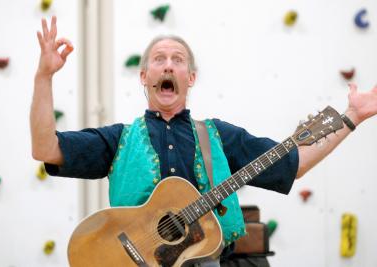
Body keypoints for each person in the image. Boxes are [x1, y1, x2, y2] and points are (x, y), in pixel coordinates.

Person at [31, 16, 377, 267]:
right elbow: (45, 148)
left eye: (178, 61)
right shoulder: (118, 139)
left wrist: (351, 117)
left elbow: (295, 163)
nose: (168, 66)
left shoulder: (218, 136)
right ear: (144, 76)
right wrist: (44, 76)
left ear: (190, 77)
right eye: (159, 60)